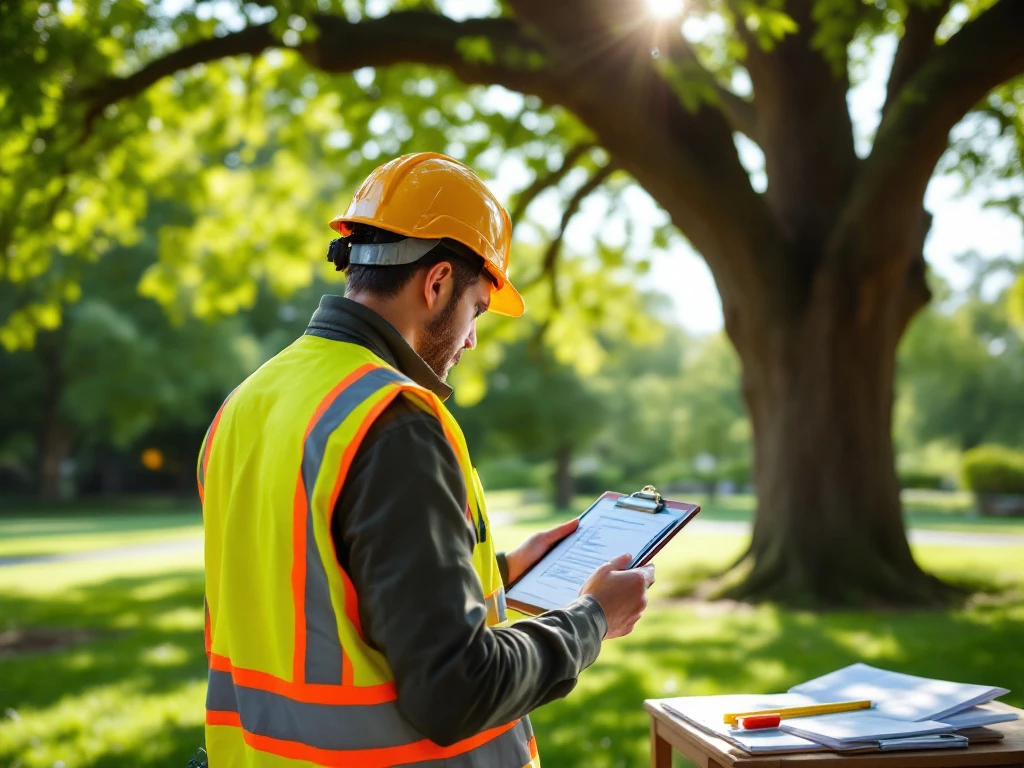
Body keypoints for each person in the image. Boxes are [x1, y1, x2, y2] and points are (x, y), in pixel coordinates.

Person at [198, 152, 656, 767]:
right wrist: (592, 619)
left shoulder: (249, 402)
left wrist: (503, 571)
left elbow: (318, 588)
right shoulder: (392, 420)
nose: (470, 339)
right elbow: (455, 689)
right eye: (477, 311)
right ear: (437, 282)